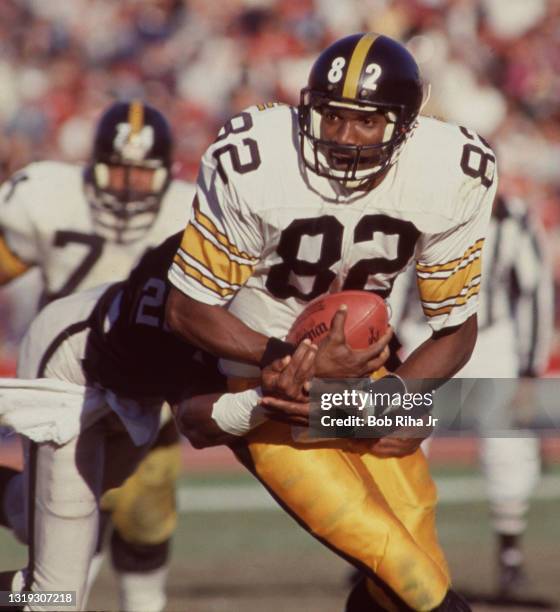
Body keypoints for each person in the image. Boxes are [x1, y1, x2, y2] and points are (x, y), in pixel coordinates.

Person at [164, 32, 498, 611]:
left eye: (366, 122)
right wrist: (284, 362)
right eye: (332, 116)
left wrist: (396, 402)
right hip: (264, 380)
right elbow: (187, 308)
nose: (344, 137)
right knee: (410, 577)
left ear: (406, 124)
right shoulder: (257, 158)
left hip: (364, 378)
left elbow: (455, 329)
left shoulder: (453, 170)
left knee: (404, 575)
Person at [0, 230, 322, 611]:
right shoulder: (188, 276)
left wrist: (394, 410)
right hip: (76, 369)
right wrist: (275, 397)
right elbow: (198, 423)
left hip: (139, 396)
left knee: (25, 512)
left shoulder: (297, 247)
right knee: (56, 599)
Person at [0, 100, 195, 611]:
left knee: (137, 515)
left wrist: (365, 407)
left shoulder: (196, 211)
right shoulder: (48, 197)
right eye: (118, 171)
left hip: (151, 391)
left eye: (142, 174)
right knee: (57, 577)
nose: (128, 187)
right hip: (65, 382)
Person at [389, 193, 553, 599]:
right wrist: (387, 345)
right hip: (421, 333)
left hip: (490, 339)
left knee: (508, 445)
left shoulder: (513, 217)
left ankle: (510, 556)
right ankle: (386, 552)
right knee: (391, 442)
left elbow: (534, 291)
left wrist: (530, 368)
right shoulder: (416, 204)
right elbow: (391, 281)